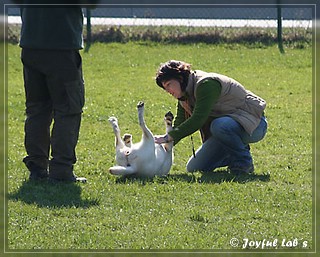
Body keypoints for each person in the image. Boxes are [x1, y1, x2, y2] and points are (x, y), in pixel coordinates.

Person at [13, 2, 99, 182]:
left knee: (37, 109)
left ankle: (37, 167)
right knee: (68, 109)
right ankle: (61, 169)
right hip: (61, 46)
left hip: (30, 44)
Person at [154, 60, 268, 174]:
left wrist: (168, 137)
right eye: (165, 88)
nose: (168, 91)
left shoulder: (206, 84)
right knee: (194, 167)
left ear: (180, 78)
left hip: (255, 126)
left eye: (169, 84)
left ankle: (244, 163)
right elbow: (180, 125)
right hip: (226, 130)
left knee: (219, 125)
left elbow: (198, 119)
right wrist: (163, 147)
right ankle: (233, 155)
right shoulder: (184, 97)